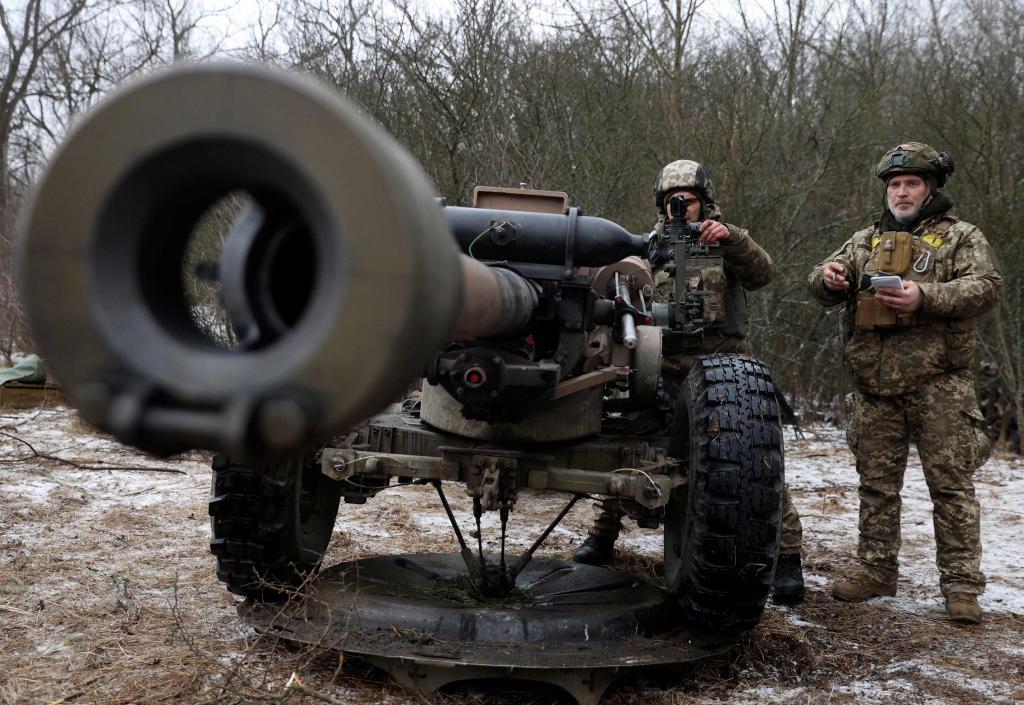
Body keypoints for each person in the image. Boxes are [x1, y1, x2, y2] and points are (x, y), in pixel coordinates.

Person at [573, 159, 806, 603]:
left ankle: (787, 559)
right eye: (673, 201)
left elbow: (763, 274)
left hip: (722, 367)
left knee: (750, 463)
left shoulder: (725, 238)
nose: (682, 208)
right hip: (657, 363)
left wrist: (732, 239)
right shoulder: (646, 244)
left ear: (705, 202)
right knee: (628, 449)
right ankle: (603, 536)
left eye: (691, 200)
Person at [808, 142, 1002, 624]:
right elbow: (818, 281)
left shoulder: (961, 237)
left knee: (952, 487)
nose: (902, 192)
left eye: (911, 183)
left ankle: (961, 587)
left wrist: (926, 297)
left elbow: (987, 287)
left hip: (940, 383)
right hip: (874, 385)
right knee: (875, 485)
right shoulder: (865, 240)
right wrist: (828, 278)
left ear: (929, 188)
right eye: (894, 185)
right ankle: (876, 570)